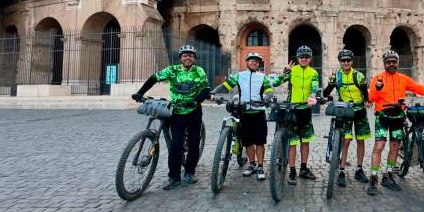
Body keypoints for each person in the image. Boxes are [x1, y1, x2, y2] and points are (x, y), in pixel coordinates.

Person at [132, 45, 210, 190]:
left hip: (194, 111)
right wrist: (140, 93)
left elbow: (206, 89)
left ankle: (189, 172)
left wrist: (196, 100)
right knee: (175, 145)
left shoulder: (199, 71)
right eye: (185, 55)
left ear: (194, 58)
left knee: (194, 144)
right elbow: (154, 78)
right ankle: (173, 177)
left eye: (191, 55)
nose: (188, 57)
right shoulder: (172, 70)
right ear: (180, 58)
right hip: (178, 113)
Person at [366, 50, 424, 195]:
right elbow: (372, 98)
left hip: (398, 117)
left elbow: (419, 88)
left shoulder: (403, 78)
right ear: (384, 64)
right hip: (382, 116)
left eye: (394, 61)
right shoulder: (378, 78)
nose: (391, 64)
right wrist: (377, 88)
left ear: (397, 63)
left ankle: (388, 174)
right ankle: (373, 177)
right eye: (388, 62)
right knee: (379, 146)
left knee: (394, 146)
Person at [212, 52, 274, 180]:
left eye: (256, 61)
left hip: (258, 112)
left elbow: (269, 91)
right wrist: (213, 92)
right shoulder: (239, 76)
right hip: (244, 113)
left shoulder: (263, 77)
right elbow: (225, 85)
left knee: (260, 141)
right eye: (251, 60)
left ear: (259, 64)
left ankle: (260, 166)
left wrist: (266, 99)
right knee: (248, 141)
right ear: (247, 63)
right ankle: (252, 165)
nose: (254, 62)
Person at [322, 49, 371, 186]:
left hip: (360, 110)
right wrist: (331, 83)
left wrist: (367, 101)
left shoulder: (359, 75)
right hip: (346, 111)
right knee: (347, 141)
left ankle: (359, 169)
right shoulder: (337, 76)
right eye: (343, 60)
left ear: (352, 61)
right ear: (340, 62)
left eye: (348, 60)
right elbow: (326, 93)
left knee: (361, 140)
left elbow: (364, 91)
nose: (346, 62)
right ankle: (342, 170)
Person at [272, 45, 319, 184]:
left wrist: (313, 96)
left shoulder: (314, 73)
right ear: (297, 58)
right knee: (292, 143)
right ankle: (292, 170)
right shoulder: (292, 71)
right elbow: (275, 83)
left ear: (310, 59)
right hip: (292, 110)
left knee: (305, 142)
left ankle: (303, 169)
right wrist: (285, 72)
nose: (304, 59)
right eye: (301, 57)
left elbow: (315, 86)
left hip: (306, 109)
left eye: (306, 57)